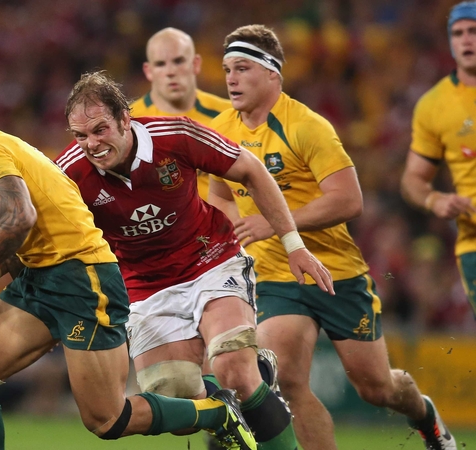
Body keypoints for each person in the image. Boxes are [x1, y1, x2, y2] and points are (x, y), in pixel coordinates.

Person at [0, 70, 257, 450]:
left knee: (108, 419)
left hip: (81, 279)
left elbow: (19, 216)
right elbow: (31, 225)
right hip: (42, 276)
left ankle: (217, 413)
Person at [207, 24, 457, 450]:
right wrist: (238, 231)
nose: (231, 78)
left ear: (272, 73)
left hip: (335, 273)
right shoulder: (221, 129)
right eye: (228, 68)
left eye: (243, 68)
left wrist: (274, 223)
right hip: (276, 277)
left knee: (376, 388)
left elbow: (349, 200)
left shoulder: (308, 126)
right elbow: (219, 195)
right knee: (286, 381)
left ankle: (425, 415)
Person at [56, 70, 335, 450]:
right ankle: (248, 385)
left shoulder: (176, 135)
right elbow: (36, 224)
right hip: (144, 286)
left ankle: (250, 378)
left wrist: (294, 244)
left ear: (124, 119)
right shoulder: (67, 172)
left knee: (234, 370)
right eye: (80, 135)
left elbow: (251, 170)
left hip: (211, 260)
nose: (92, 144)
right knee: (176, 400)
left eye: (100, 129)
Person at [401, 1, 476, 319]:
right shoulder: (433, 105)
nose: (466, 40)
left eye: (473, 31)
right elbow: (413, 179)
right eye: (457, 33)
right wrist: (434, 199)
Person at [129, 27, 232, 201]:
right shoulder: (129, 123)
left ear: (196, 64)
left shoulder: (229, 115)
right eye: (160, 64)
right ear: (148, 71)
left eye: (178, 61)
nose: (170, 72)